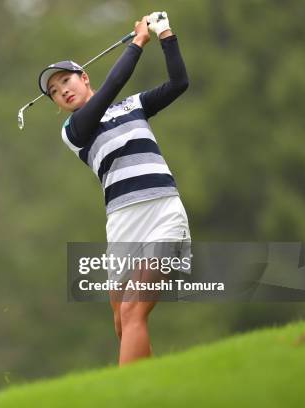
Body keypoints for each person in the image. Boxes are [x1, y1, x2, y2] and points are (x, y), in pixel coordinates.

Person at [38, 12, 191, 366]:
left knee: (134, 309)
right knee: (123, 322)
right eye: (55, 92)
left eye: (66, 81)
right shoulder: (75, 129)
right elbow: (109, 89)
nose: (62, 90)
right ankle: (154, 389)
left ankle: (126, 397)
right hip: (121, 223)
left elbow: (178, 82)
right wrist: (138, 43)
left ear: (83, 77)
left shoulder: (134, 106)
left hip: (161, 211)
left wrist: (165, 33)